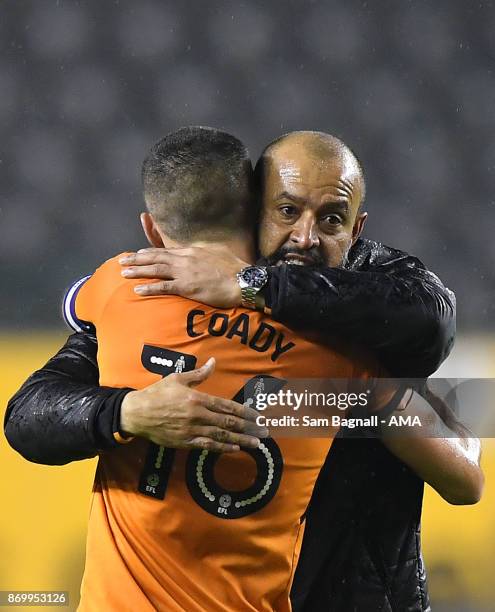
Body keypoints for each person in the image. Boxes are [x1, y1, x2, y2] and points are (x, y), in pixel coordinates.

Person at [5, 129, 480, 612]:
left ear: (357, 230)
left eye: (331, 218)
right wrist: (127, 411)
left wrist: (253, 285)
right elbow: (28, 417)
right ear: (255, 210)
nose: (306, 237)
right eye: (288, 210)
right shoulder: (345, 357)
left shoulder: (132, 292)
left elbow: (435, 321)